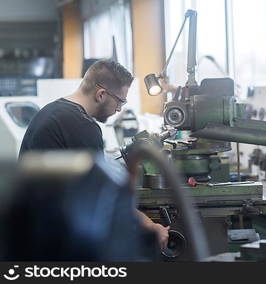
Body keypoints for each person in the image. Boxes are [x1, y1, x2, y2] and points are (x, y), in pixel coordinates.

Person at [19, 60, 169, 250]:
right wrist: (149, 225)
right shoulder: (82, 126)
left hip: (32, 231)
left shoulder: (51, 111)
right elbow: (104, 198)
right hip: (54, 242)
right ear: (101, 95)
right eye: (120, 101)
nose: (119, 109)